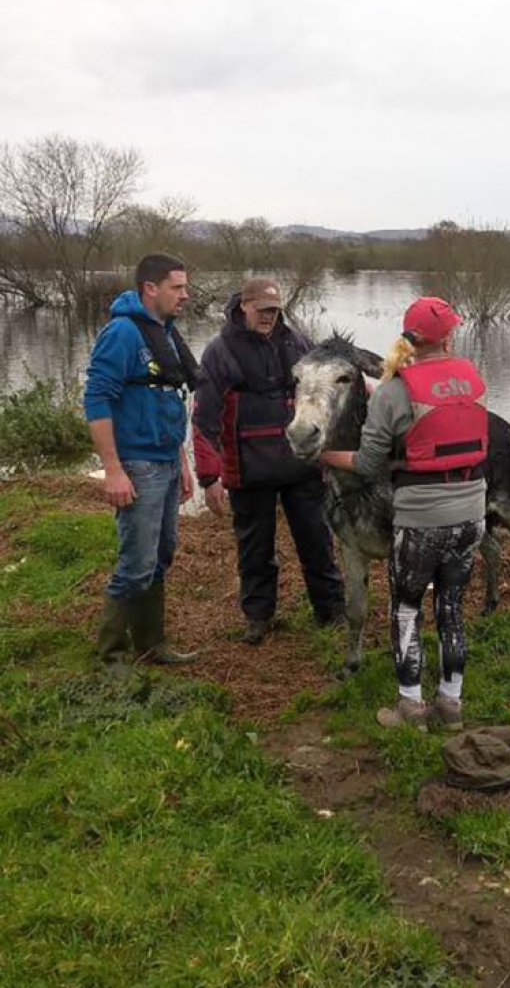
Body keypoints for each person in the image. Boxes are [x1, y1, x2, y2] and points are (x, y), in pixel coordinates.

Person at [320, 297, 487, 731]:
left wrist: (327, 454)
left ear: (407, 339)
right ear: (448, 336)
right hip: (472, 511)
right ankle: (451, 706)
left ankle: (410, 708)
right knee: (450, 607)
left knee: (407, 610)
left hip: (422, 518)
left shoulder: (394, 391)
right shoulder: (470, 378)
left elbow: (369, 464)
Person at [192, 277, 345, 643]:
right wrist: (208, 477)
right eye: (262, 310)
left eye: (274, 311)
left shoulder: (298, 342)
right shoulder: (219, 352)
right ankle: (258, 617)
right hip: (247, 468)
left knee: (317, 541)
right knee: (254, 548)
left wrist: (333, 452)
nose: (268, 318)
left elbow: (323, 398)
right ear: (244, 306)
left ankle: (331, 612)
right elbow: (204, 417)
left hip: (302, 464)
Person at [84, 253, 200, 671]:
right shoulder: (122, 333)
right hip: (138, 466)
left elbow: (170, 398)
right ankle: (111, 657)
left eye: (185, 287)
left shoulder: (163, 332)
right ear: (151, 288)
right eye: (177, 287)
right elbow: (96, 399)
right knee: (136, 563)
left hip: (166, 462)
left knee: (162, 554)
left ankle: (152, 645)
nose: (185, 295)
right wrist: (113, 470)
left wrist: (182, 462)